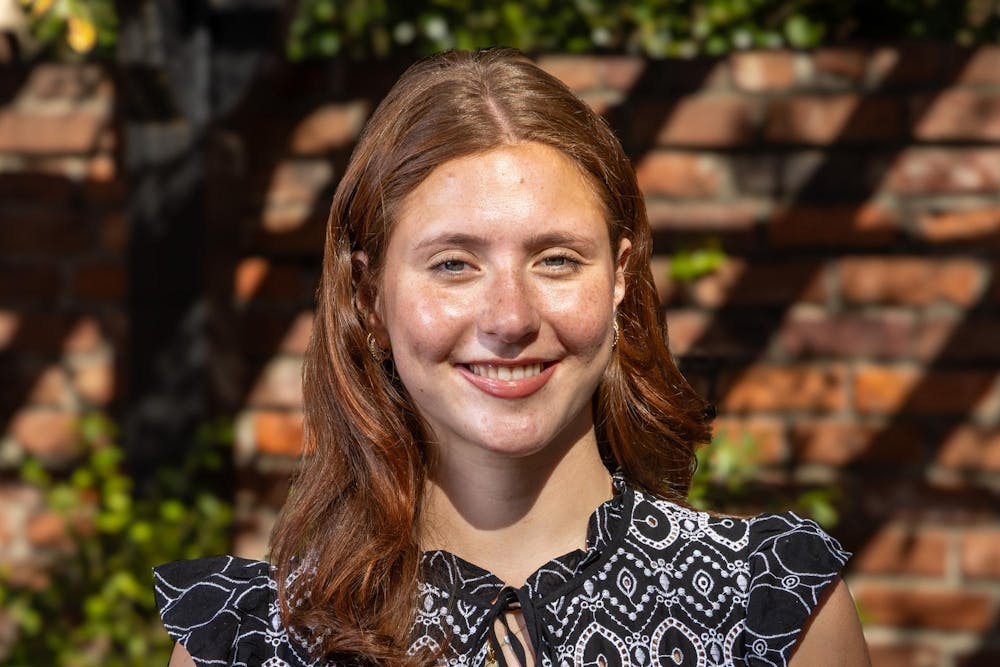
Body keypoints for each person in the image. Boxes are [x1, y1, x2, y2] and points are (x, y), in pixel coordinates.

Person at [154, 48, 870, 667]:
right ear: (371, 300)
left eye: (557, 260)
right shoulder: (248, 641)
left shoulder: (769, 608)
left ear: (620, 278)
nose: (510, 319)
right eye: (454, 264)